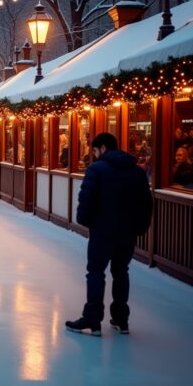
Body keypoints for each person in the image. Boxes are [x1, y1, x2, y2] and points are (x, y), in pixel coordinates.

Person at [66, 133, 153, 336]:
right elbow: (146, 204)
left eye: (94, 151)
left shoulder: (97, 170)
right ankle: (122, 320)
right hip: (127, 233)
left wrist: (86, 221)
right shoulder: (137, 172)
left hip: (102, 232)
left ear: (102, 148)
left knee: (96, 272)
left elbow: (86, 200)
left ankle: (93, 320)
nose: (94, 155)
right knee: (121, 272)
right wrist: (139, 228)